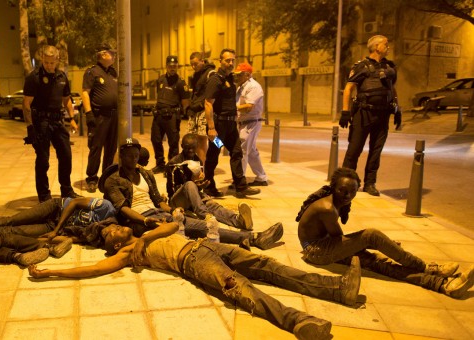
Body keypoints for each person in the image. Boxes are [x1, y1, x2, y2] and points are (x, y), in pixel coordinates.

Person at [29, 221, 364, 340]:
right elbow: (93, 270)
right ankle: (299, 322)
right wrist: (53, 271)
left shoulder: (144, 234)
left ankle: (336, 288)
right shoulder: (126, 253)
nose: (116, 227)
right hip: (193, 260)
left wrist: (146, 238)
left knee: (265, 263)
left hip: (205, 245)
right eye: (111, 231)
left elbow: (172, 227)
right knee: (243, 290)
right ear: (114, 243)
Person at [296, 167, 474, 299]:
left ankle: (443, 285)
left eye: (352, 191)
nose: (348, 195)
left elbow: (340, 240)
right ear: (333, 187)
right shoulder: (328, 208)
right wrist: (379, 245)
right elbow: (338, 239)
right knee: (371, 236)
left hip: (324, 247)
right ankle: (425, 267)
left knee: (378, 263)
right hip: (316, 252)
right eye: (343, 190)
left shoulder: (333, 202)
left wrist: (384, 247)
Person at [101, 139, 280, 249]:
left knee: (202, 217)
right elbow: (123, 209)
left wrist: (171, 211)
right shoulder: (114, 180)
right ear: (121, 157)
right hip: (140, 219)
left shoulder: (145, 174)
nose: (133, 160)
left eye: (136, 156)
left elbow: (157, 200)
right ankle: (254, 238)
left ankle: (238, 228)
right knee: (201, 227)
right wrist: (147, 221)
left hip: (159, 212)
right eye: (129, 156)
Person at [166, 134, 283, 240]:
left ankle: (238, 220)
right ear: (181, 146)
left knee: (212, 205)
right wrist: (192, 184)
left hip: (193, 198)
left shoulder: (196, 160)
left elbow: (196, 186)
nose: (190, 150)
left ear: (197, 146)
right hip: (178, 201)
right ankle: (205, 215)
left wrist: (201, 185)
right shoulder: (175, 163)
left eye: (193, 147)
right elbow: (173, 191)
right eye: (187, 148)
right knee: (191, 185)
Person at [339, 35, 402, 196]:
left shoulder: (389, 67)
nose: (388, 47)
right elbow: (348, 89)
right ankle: (345, 183)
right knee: (354, 150)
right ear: (376, 47)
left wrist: (397, 109)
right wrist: (345, 112)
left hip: (382, 115)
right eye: (385, 44)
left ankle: (370, 183)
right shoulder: (361, 66)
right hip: (364, 114)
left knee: (376, 151)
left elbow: (391, 89)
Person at [23, 45, 81, 202]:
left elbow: (66, 99)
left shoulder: (62, 77)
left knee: (66, 155)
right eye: (46, 62)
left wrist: (72, 119)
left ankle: (67, 190)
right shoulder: (33, 77)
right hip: (40, 122)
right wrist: (30, 127)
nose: (49, 65)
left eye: (51, 62)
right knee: (43, 159)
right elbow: (26, 103)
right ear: (42, 59)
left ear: (57, 60)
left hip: (57, 120)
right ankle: (44, 196)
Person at [203, 48, 260, 199]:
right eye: (227, 60)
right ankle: (208, 186)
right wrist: (211, 128)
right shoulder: (216, 80)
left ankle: (240, 187)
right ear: (220, 61)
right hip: (218, 126)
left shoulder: (229, 79)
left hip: (230, 127)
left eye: (232, 60)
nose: (230, 63)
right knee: (213, 155)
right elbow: (208, 103)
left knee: (237, 153)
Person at [0, 196, 117, 243]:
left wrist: (53, 237)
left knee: (15, 231)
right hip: (57, 207)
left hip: (53, 227)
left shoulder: (102, 234)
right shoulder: (106, 207)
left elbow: (76, 238)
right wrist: (57, 230)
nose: (108, 233)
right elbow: (76, 202)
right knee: (10, 221)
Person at [82, 44, 118, 193]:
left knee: (111, 148)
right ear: (103, 54)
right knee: (96, 148)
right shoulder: (92, 72)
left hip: (114, 115)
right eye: (112, 53)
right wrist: (89, 113)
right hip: (99, 116)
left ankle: (107, 176)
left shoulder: (113, 72)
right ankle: (91, 178)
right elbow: (85, 93)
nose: (114, 56)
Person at [150, 55, 190, 174]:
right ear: (166, 66)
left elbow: (185, 102)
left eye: (174, 66)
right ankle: (160, 164)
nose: (172, 68)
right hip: (158, 116)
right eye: (170, 66)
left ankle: (172, 166)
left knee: (173, 142)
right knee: (155, 140)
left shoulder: (181, 82)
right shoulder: (161, 80)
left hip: (172, 116)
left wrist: (179, 114)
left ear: (177, 66)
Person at [234, 62, 268, 186]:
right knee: (251, 151)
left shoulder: (254, 87)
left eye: (239, 75)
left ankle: (240, 180)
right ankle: (261, 177)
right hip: (244, 123)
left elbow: (249, 106)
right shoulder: (241, 86)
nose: (237, 77)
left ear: (247, 75)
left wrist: (233, 108)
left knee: (242, 151)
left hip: (251, 123)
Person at [186, 52, 215, 163]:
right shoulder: (196, 75)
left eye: (195, 64)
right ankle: (199, 163)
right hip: (195, 111)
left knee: (203, 139)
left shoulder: (210, 73)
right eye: (191, 64)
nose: (193, 67)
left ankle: (203, 167)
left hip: (204, 110)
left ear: (202, 61)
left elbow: (211, 95)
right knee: (193, 139)